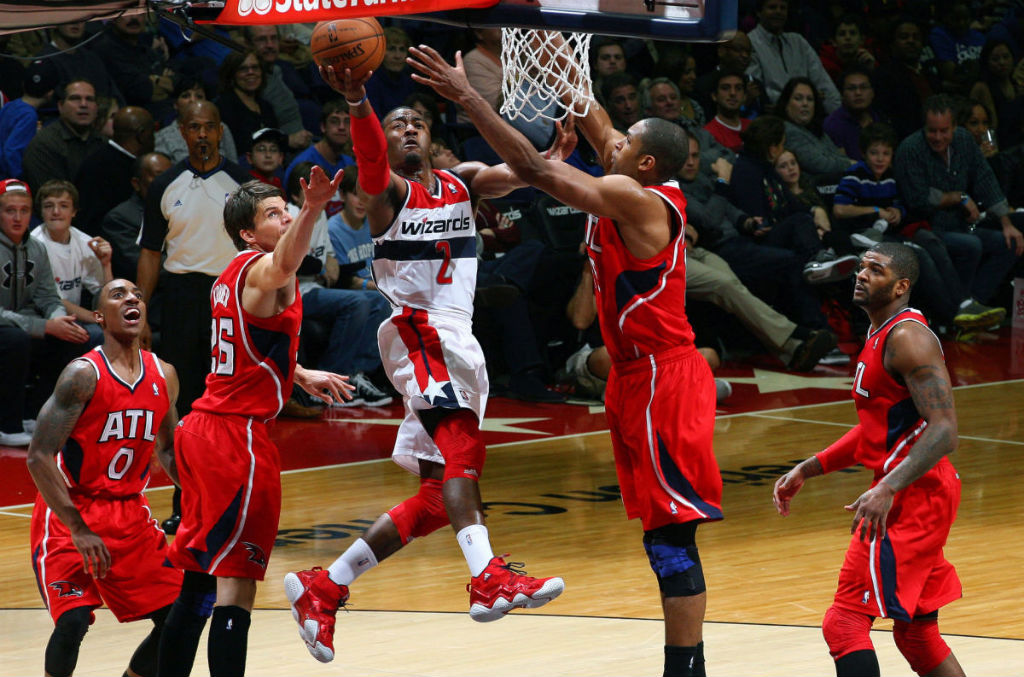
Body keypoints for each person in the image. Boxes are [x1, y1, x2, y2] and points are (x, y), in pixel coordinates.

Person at [409, 43, 722, 677]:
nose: (611, 144)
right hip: (634, 378)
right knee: (657, 535)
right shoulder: (629, 172)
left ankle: (685, 667)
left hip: (666, 376)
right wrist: (555, 55)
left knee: (672, 535)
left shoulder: (640, 200)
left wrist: (466, 96)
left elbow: (534, 168)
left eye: (624, 144)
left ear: (647, 161)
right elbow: (596, 115)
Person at [283, 66, 567, 665]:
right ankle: (488, 577)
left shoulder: (464, 182)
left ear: (433, 137)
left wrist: (551, 157)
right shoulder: (385, 191)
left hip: (456, 339)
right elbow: (366, 154)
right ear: (383, 143)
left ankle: (324, 587)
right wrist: (360, 100)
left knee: (439, 498)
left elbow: (522, 174)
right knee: (464, 452)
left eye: (416, 122)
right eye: (396, 125)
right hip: (417, 333)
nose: (406, 128)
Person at [158, 169, 353, 677]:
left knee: (200, 581)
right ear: (248, 233)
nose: (285, 216)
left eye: (285, 209)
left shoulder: (230, 276)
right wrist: (313, 209)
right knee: (236, 588)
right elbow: (287, 261)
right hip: (234, 440)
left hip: (205, 429)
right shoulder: (262, 267)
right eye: (274, 214)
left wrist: (297, 373)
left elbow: (246, 348)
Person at [773, 242, 966, 677]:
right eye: (861, 267)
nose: (861, 275)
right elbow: (878, 425)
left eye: (874, 271)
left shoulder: (908, 339)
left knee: (844, 622)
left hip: (914, 497)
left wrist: (887, 487)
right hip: (920, 490)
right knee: (916, 633)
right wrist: (810, 466)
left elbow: (945, 429)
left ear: (901, 286)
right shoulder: (882, 333)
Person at [26, 277, 184, 677]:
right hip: (70, 510)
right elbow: (39, 456)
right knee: (74, 621)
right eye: (118, 295)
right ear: (100, 317)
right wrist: (78, 528)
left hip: (129, 512)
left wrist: (204, 498)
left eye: (138, 295)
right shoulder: (82, 374)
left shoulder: (164, 374)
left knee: (177, 620)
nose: (132, 298)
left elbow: (167, 450)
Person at [136, 99, 250, 532]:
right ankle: (187, 502)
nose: (202, 135)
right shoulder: (165, 183)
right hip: (182, 298)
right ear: (181, 133)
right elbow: (150, 253)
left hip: (232, 296)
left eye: (209, 127)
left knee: (230, 399)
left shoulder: (243, 184)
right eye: (193, 128)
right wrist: (141, 312)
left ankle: (235, 498)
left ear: (220, 131)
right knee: (182, 405)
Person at [834, 123, 1006, 331]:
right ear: (863, 153)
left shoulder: (891, 177)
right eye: (874, 153)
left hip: (891, 233)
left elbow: (900, 205)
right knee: (920, 255)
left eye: (885, 153)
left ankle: (963, 304)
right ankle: (953, 317)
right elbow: (840, 210)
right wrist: (876, 211)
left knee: (932, 242)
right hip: (866, 236)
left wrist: (898, 212)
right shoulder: (854, 175)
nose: (880, 159)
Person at [893, 94, 1024, 309]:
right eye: (932, 130)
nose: (937, 137)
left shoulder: (964, 140)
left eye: (944, 130)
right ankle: (959, 309)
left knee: (1008, 242)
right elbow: (918, 198)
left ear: (954, 127)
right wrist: (958, 197)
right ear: (923, 127)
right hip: (926, 227)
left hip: (961, 224)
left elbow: (985, 178)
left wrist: (1006, 223)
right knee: (971, 245)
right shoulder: (910, 149)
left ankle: (974, 303)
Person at [288, 162, 393, 407]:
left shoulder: (320, 213)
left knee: (379, 301)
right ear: (296, 194)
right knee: (356, 302)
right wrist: (322, 266)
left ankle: (356, 374)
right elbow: (299, 263)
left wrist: (327, 263)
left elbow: (327, 261)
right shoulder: (291, 213)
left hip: (314, 288)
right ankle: (329, 379)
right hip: (291, 293)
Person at [0, 179, 89, 448]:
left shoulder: (36, 248)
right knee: (16, 340)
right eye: (9, 210)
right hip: (8, 329)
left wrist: (59, 318)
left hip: (23, 325)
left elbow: (48, 296)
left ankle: (35, 413)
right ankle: (7, 424)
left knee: (74, 335)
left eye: (24, 210)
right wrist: (44, 326)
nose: (18, 217)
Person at [30, 180, 113, 346]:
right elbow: (52, 299)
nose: (56, 212)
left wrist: (106, 264)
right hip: (42, 318)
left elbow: (105, 294)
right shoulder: (34, 245)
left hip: (74, 317)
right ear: (41, 212)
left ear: (74, 211)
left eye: (63, 206)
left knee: (116, 331)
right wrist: (95, 318)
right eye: (48, 206)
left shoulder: (85, 242)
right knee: (98, 334)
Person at [74, 105, 156, 236]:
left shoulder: (103, 159)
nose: (154, 138)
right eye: (152, 132)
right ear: (141, 135)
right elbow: (89, 222)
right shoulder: (101, 166)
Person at [746, 0, 841, 113]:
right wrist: (808, 97)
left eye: (783, 8)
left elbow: (823, 83)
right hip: (774, 117)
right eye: (772, 7)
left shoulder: (798, 41)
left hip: (808, 114)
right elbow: (759, 92)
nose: (778, 12)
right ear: (759, 12)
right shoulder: (749, 42)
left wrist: (838, 116)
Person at [21, 78, 106, 193]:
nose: (83, 104)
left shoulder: (103, 142)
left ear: (96, 107)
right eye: (75, 99)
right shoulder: (44, 145)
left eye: (89, 99)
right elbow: (51, 197)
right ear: (61, 106)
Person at [100, 151, 172, 281]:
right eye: (160, 177)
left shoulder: (180, 209)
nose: (168, 183)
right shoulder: (120, 219)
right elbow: (142, 266)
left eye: (171, 177)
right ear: (136, 183)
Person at [776, 76, 856, 182]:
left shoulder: (815, 129)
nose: (805, 104)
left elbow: (837, 155)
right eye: (798, 98)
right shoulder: (788, 130)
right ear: (786, 104)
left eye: (810, 99)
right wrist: (853, 164)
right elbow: (819, 164)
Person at [153, 74, 238, 164]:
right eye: (186, 96)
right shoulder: (163, 137)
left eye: (199, 96)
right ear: (175, 104)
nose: (193, 100)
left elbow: (234, 168)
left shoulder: (220, 128)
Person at [216, 50, 280, 158]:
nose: (250, 72)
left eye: (255, 67)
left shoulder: (266, 106)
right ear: (232, 74)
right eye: (243, 69)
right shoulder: (224, 106)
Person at [0, 58, 57, 179]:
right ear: (50, 93)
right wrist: (20, 180)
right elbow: (12, 150)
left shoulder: (10, 105)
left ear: (23, 85)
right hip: (8, 179)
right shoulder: (29, 116)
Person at [823, 68, 884, 162]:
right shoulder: (833, 125)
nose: (858, 93)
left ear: (872, 92)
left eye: (863, 87)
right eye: (851, 88)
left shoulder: (880, 118)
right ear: (841, 94)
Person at [703, 69, 751, 153]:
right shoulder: (708, 134)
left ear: (745, 96)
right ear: (714, 95)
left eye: (738, 88)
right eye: (725, 88)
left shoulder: (752, 127)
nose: (733, 93)